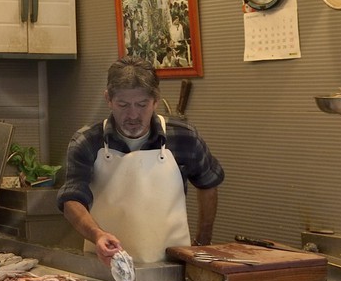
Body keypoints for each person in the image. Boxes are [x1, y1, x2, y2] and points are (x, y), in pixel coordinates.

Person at [57, 55, 225, 265]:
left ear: (155, 100)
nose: (133, 115)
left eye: (142, 104)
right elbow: (71, 200)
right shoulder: (87, 140)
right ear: (108, 99)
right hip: (107, 263)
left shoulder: (184, 137)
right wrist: (96, 234)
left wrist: (202, 241)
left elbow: (209, 183)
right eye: (123, 104)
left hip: (171, 264)